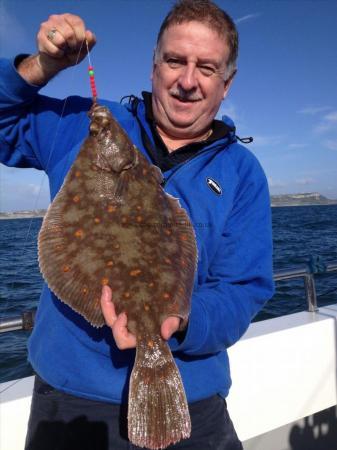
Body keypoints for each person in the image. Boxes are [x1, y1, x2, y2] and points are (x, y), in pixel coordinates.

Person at [0, 1, 274, 449]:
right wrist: (42, 66)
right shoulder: (78, 123)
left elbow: (243, 288)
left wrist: (179, 320)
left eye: (206, 67)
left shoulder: (242, 173)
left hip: (193, 396)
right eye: (174, 61)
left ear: (227, 83)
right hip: (73, 400)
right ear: (153, 67)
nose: (187, 81)